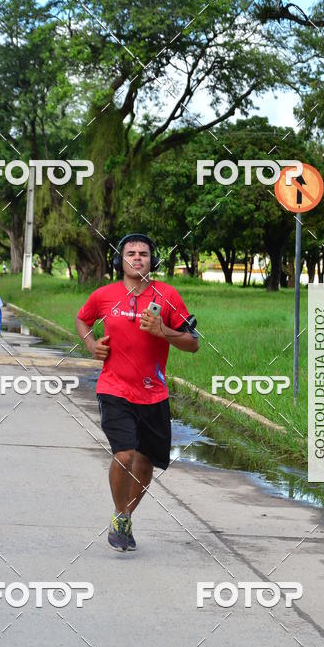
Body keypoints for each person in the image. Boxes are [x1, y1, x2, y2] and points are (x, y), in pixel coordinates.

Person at [75, 234, 199, 553]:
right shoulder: (104, 295)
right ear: (120, 261)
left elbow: (193, 343)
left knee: (145, 462)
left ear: (152, 260)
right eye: (131, 253)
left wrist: (163, 331)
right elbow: (82, 318)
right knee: (125, 454)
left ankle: (125, 516)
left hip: (153, 393)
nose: (138, 258)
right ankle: (120, 515)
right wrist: (90, 344)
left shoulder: (168, 296)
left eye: (144, 253)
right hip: (113, 387)